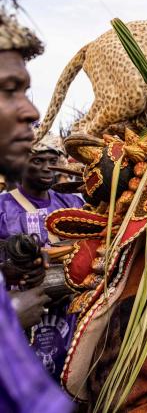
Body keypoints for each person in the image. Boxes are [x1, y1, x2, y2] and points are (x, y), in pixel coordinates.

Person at [0, 0, 73, 412]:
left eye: (27, 90)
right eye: (11, 90)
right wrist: (11, 316)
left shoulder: (72, 202)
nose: (32, 111)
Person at [0, 134, 84, 379]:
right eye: (38, 161)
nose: (48, 167)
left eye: (52, 159)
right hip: (21, 314)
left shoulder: (73, 203)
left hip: (69, 314)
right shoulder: (3, 207)